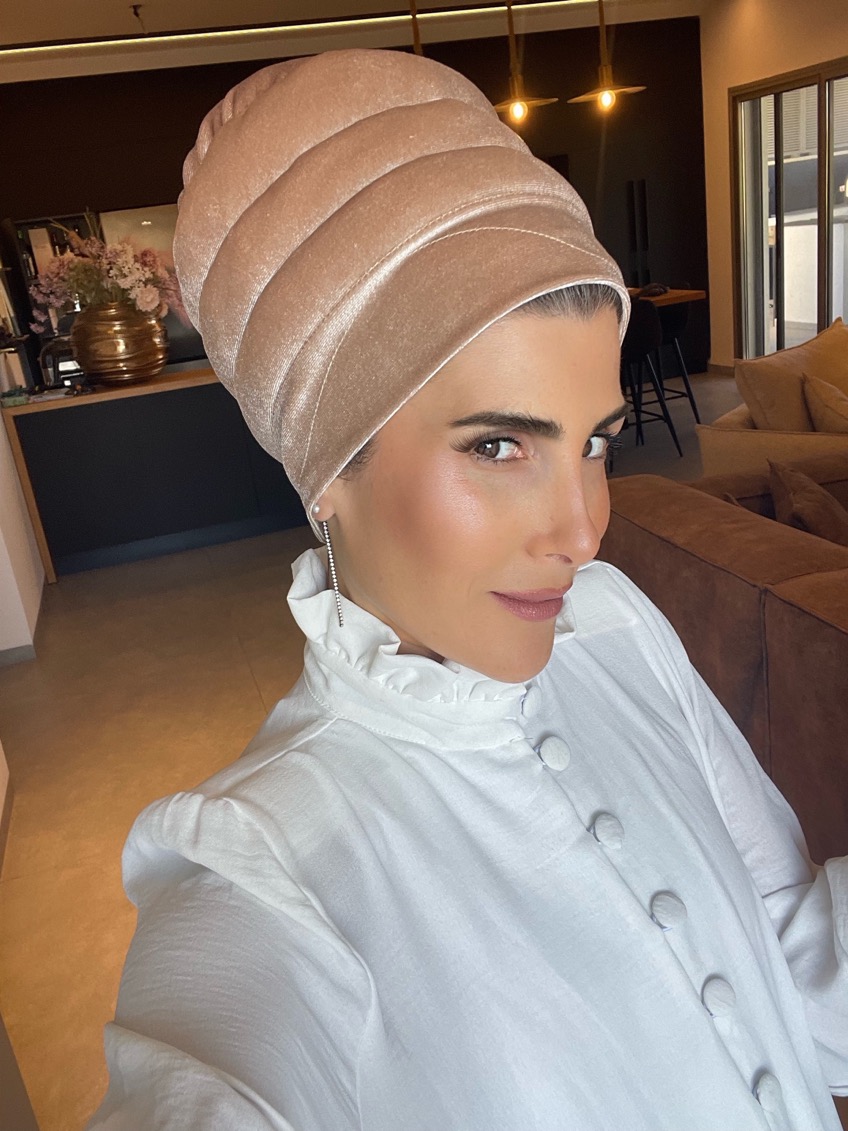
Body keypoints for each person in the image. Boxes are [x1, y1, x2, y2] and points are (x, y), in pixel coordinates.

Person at [87, 49, 847, 1131]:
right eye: (497, 445)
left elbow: (791, 953)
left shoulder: (614, 626)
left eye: (594, 443)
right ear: (324, 469)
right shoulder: (263, 874)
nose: (582, 531)